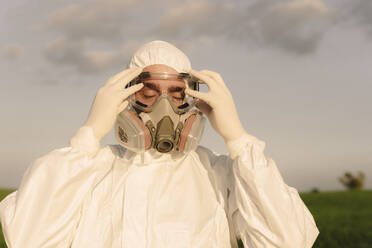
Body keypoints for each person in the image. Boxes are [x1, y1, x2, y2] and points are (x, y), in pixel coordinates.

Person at [0, 40, 319, 248]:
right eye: (148, 93)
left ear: (194, 99)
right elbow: (29, 238)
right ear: (124, 97)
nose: (162, 106)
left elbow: (288, 241)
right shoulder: (90, 170)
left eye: (176, 93)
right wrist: (87, 136)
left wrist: (237, 139)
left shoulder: (220, 175)